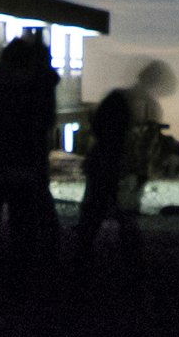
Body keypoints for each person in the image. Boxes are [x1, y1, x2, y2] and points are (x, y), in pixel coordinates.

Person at [0, 31, 62, 279]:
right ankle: (20, 277)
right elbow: (45, 121)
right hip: (23, 166)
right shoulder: (34, 89)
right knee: (22, 227)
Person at [71, 64, 171, 277]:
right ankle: (131, 263)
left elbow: (98, 126)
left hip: (104, 162)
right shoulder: (150, 106)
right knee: (126, 216)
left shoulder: (118, 97)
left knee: (93, 212)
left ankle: (82, 258)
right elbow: (149, 143)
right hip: (128, 167)